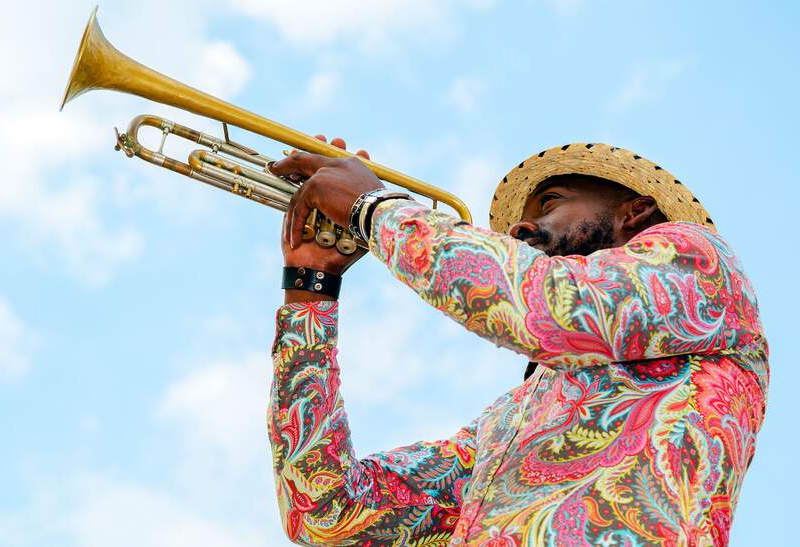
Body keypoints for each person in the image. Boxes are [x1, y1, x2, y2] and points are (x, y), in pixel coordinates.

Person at [266, 141, 768, 546]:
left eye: (550, 202)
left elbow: (546, 305)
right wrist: (311, 287)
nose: (518, 227)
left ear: (635, 212)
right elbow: (327, 511)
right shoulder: (507, 423)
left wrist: (372, 208)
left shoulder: (700, 263)